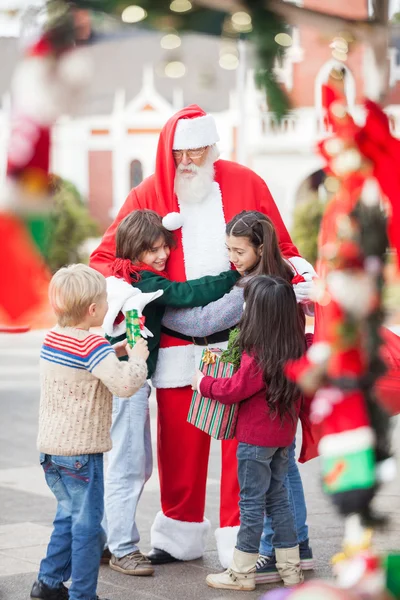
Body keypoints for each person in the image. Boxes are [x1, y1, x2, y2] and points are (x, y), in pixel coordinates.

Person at [90, 104, 316, 565]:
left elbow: (283, 248)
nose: (190, 159)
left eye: (199, 149)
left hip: (243, 341)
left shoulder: (246, 182)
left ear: (212, 146)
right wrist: (130, 294)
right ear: (169, 151)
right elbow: (104, 259)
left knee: (244, 449)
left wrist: (298, 279)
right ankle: (178, 534)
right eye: (182, 151)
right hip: (176, 348)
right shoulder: (146, 193)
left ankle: (241, 540)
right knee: (179, 447)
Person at [163, 211, 314, 580]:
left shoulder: (258, 290)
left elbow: (203, 324)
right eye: (227, 248)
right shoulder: (285, 278)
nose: (232, 258)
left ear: (260, 248)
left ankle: (252, 562)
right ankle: (296, 555)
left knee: (256, 497)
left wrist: (157, 308)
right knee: (281, 481)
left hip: (259, 416)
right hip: (285, 402)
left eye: (239, 251)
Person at [101, 209, 239, 575]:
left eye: (165, 247)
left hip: (122, 380)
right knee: (129, 466)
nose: (162, 256)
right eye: (153, 249)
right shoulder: (143, 281)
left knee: (129, 462)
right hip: (127, 382)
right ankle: (122, 548)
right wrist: (233, 276)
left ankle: (100, 540)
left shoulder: (121, 275)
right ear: (134, 249)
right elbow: (189, 293)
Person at [30, 264, 149, 600]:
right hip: (82, 455)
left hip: (52, 452)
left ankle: (48, 583)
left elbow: (85, 363)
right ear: (94, 310)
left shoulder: (53, 337)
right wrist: (137, 357)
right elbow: (125, 384)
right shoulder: (92, 345)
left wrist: (118, 351)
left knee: (67, 518)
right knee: (87, 529)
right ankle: (83, 594)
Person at [192, 275, 309, 590]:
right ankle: (291, 568)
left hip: (255, 441)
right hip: (283, 438)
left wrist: (204, 384)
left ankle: (241, 572)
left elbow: (235, 389)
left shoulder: (259, 351)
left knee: (251, 504)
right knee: (279, 501)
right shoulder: (296, 346)